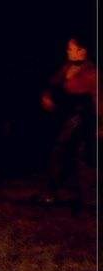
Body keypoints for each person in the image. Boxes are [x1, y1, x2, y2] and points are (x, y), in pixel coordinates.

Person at [40, 37, 99, 204]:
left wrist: (99, 124)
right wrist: (47, 95)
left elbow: (98, 99)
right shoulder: (67, 67)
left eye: (71, 49)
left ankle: (52, 191)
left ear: (82, 51)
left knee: (64, 149)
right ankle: (85, 195)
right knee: (77, 154)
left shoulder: (91, 73)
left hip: (82, 116)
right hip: (67, 115)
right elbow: (53, 83)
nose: (68, 51)